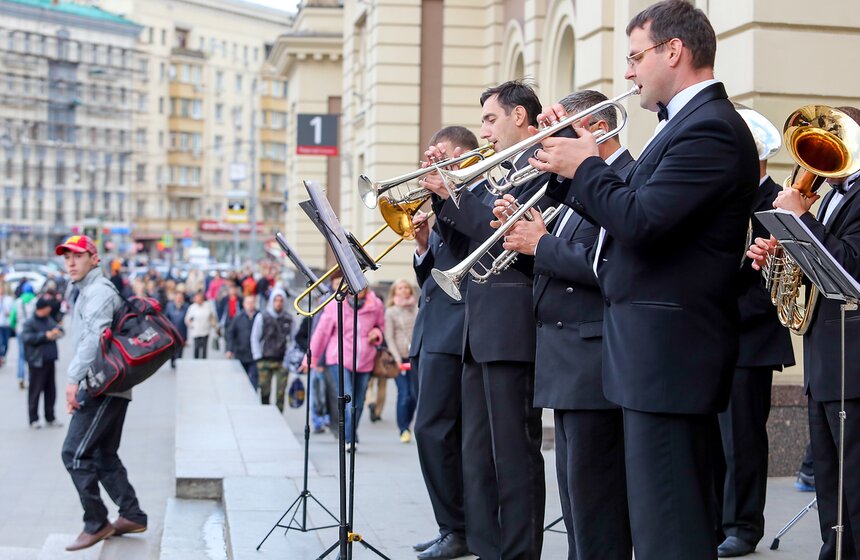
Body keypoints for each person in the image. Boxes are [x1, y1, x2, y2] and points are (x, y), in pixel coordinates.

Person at [528, 2, 758, 557]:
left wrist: (584, 165)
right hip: (649, 357)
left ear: (672, 51)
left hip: (670, 358)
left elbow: (642, 221)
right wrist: (559, 163)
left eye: (634, 57)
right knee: (655, 523)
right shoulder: (682, 124)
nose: (628, 72)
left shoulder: (710, 129)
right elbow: (624, 211)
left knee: (670, 529)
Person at [493, 89, 636, 559]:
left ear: (594, 130)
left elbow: (607, 265)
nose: (548, 143)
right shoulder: (578, 186)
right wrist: (524, 241)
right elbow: (559, 259)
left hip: (592, 355)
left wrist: (544, 245)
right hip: (565, 357)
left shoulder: (624, 180)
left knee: (596, 500)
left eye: (561, 132)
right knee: (576, 500)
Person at [418, 80, 547, 559]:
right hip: (479, 328)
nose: (485, 131)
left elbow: (500, 233)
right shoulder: (497, 172)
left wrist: (453, 195)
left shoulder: (537, 166)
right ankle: (490, 549)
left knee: (513, 457)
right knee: (477, 457)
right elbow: (470, 246)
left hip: (513, 329)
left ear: (519, 117)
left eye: (491, 119)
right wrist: (441, 199)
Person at [748, 105, 860, 560]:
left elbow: (850, 271)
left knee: (853, 483)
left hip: (852, 362)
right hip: (825, 359)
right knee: (833, 489)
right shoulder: (829, 196)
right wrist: (777, 255)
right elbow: (818, 272)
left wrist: (802, 222)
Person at [714, 158, 796, 557]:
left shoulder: (775, 203)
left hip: (750, 340)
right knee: (714, 440)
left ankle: (743, 526)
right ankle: (716, 520)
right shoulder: (731, 198)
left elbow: (773, 285)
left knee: (741, 440)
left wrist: (715, 309)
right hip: (716, 339)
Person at [56, 234, 148, 551]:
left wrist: (72, 381)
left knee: (75, 453)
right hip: (109, 385)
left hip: (102, 386)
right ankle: (133, 514)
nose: (70, 262)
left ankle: (96, 522)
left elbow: (94, 338)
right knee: (103, 454)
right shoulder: (86, 291)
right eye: (66, 257)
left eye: (77, 256)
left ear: (95, 259)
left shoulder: (98, 292)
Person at [409, 126, 476, 560]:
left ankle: (457, 527)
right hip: (432, 329)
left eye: (445, 157)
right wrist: (421, 245)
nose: (438, 165)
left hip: (455, 332)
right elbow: (433, 273)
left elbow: (470, 256)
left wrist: (445, 195)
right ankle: (448, 524)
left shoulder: (470, 196)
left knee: (434, 432)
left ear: (465, 156)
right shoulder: (450, 203)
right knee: (434, 433)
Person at [309, 285, 384, 448]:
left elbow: (381, 326)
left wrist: (377, 334)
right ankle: (349, 439)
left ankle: (349, 434)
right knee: (348, 398)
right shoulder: (335, 303)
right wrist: (312, 357)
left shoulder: (376, 304)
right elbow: (322, 332)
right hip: (339, 358)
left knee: (359, 401)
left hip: (365, 360)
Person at [384, 279, 418, 443]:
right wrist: (397, 358)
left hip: (415, 357)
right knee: (404, 394)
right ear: (394, 292)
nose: (404, 290)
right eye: (400, 288)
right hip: (399, 358)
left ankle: (408, 424)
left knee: (414, 395)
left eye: (406, 288)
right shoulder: (391, 312)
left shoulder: (417, 309)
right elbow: (389, 337)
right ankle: (403, 428)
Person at [22, 296, 64, 429]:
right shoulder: (30, 322)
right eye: (47, 307)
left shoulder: (48, 319)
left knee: (51, 390)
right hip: (37, 362)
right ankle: (33, 418)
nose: (50, 309)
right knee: (35, 391)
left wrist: (58, 332)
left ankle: (50, 416)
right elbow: (27, 338)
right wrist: (44, 336)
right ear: (42, 309)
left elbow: (59, 329)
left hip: (50, 360)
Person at [250, 288, 292, 411]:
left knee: (280, 393)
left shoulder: (288, 318)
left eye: (281, 300)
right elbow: (255, 337)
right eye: (276, 300)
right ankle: (265, 414)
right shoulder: (262, 317)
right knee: (264, 391)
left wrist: (289, 358)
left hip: (282, 360)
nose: (278, 303)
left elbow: (293, 339)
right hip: (265, 359)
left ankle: (279, 416)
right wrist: (257, 356)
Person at [226, 294, 259, 389]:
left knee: (254, 379)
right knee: (241, 380)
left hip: (255, 355)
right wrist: (229, 349)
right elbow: (231, 334)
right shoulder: (238, 318)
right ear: (244, 304)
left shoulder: (259, 316)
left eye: (252, 302)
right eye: (248, 303)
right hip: (241, 353)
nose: (250, 305)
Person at [10, 282, 37, 390]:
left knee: (21, 356)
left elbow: (12, 318)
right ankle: (31, 378)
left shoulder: (18, 301)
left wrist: (14, 326)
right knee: (32, 355)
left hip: (20, 330)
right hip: (32, 332)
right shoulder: (35, 301)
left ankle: (20, 377)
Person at [185, 291, 217, 359]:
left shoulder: (208, 306)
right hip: (196, 331)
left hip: (205, 330)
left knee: (204, 349)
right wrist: (191, 325)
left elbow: (212, 317)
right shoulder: (192, 307)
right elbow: (187, 319)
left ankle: (204, 362)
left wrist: (215, 327)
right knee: (196, 348)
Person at [164, 290, 189, 368]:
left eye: (180, 298)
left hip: (182, 332)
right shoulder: (169, 306)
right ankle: (172, 361)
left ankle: (179, 362)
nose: (179, 299)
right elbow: (166, 318)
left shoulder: (186, 307)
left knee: (180, 349)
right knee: (172, 348)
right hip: (172, 332)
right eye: (177, 298)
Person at [0, 281, 14, 368]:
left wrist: (9, 314)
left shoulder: (9, 299)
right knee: (0, 341)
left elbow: (13, 311)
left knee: (6, 343)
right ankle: (0, 357)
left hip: (7, 324)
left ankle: (3, 355)